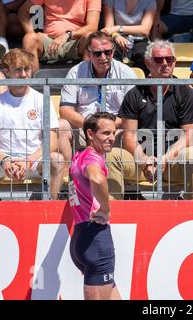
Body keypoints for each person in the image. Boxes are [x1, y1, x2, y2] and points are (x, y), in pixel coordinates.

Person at [107, 40, 193, 200]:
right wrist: (144, 160)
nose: (165, 64)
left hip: (173, 161)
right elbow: (129, 136)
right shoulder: (135, 93)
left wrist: (166, 158)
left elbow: (188, 135)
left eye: (170, 59)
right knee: (111, 156)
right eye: (159, 60)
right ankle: (111, 216)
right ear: (148, 63)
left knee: (192, 155)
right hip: (141, 162)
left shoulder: (185, 92)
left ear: (175, 62)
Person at [0, 48, 64, 200]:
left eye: (27, 69)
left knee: (57, 160)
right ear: (6, 71)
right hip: (2, 161)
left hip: (34, 160)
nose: (23, 74)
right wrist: (4, 159)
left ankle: (51, 208)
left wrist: (29, 160)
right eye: (18, 70)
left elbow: (52, 140)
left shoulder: (42, 99)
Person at [58, 31, 137, 176]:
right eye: (97, 54)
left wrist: (106, 129)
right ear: (89, 53)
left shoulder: (126, 73)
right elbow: (65, 111)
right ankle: (69, 175)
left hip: (116, 130)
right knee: (61, 125)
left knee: (131, 129)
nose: (103, 57)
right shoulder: (76, 72)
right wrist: (92, 128)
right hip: (85, 128)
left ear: (113, 51)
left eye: (108, 52)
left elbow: (133, 113)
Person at [69, 111, 122, 300]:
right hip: (96, 239)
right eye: (105, 133)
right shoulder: (93, 158)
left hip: (81, 236)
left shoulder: (79, 155)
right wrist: (105, 210)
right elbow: (97, 179)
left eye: (113, 133)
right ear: (90, 134)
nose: (112, 138)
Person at [18, 0, 101, 72]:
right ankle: (33, 84)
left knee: (91, 37)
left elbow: (92, 26)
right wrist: (32, 32)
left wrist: (67, 35)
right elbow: (23, 11)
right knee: (29, 38)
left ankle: (88, 84)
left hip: (76, 42)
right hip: (49, 40)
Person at [101, 0, 156, 76]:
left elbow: (145, 29)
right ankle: (114, 83)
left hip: (140, 39)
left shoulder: (149, 2)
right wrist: (116, 36)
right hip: (117, 38)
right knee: (110, 53)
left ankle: (142, 86)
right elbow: (108, 28)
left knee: (144, 56)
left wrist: (118, 28)